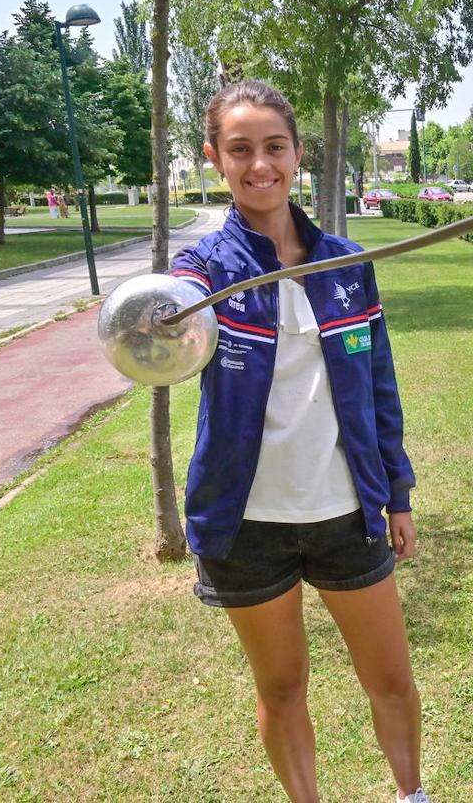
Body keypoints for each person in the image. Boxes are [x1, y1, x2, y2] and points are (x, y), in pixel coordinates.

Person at [168, 79, 430, 803]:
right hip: (245, 525)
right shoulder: (207, 273)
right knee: (281, 688)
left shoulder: (344, 263)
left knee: (392, 679)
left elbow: (379, 387)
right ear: (214, 158)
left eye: (274, 147)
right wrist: (162, 315)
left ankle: (412, 795)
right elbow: (166, 305)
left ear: (297, 154)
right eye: (241, 149)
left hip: (347, 513)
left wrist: (397, 495)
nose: (260, 165)